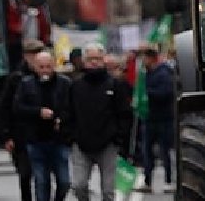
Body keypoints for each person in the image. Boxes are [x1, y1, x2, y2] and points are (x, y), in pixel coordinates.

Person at [69, 43, 133, 201]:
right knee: (78, 185)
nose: (94, 62)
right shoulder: (76, 86)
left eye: (97, 58)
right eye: (90, 59)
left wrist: (119, 138)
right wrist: (71, 136)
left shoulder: (115, 85)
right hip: (82, 144)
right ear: (83, 61)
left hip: (108, 144)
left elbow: (124, 113)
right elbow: (68, 112)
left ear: (103, 60)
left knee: (108, 191)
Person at [14, 51, 73, 201]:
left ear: (54, 66)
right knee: (41, 182)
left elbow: (72, 106)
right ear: (35, 67)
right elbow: (18, 108)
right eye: (41, 67)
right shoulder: (26, 84)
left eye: (48, 66)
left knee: (64, 181)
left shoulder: (65, 83)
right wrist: (38, 112)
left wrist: (62, 119)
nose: (45, 70)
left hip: (59, 140)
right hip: (36, 140)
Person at [0, 39, 46, 201]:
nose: (35, 58)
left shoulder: (49, 77)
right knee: (25, 175)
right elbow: (5, 108)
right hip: (21, 135)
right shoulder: (16, 79)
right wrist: (6, 136)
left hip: (43, 134)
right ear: (26, 56)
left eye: (38, 54)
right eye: (32, 55)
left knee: (43, 176)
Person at [139, 48, 175, 193]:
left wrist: (148, 94)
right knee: (147, 151)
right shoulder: (147, 74)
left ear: (152, 58)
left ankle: (168, 180)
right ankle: (148, 181)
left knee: (164, 150)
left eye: (145, 58)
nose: (143, 61)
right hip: (150, 118)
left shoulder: (163, 73)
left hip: (163, 118)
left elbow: (166, 92)